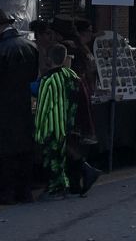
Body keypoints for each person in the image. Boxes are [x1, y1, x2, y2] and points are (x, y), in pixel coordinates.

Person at [0, 9, 39, 205]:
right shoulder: (31, 46)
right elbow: (33, 75)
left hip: (4, 105)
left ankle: (9, 191)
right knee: (24, 148)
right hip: (24, 101)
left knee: (6, 151)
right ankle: (25, 191)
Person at [34, 43, 101, 200]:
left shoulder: (48, 80)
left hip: (53, 124)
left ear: (49, 59)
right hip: (70, 123)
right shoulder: (71, 75)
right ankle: (73, 184)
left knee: (53, 157)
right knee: (67, 155)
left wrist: (39, 129)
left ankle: (56, 189)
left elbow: (43, 107)